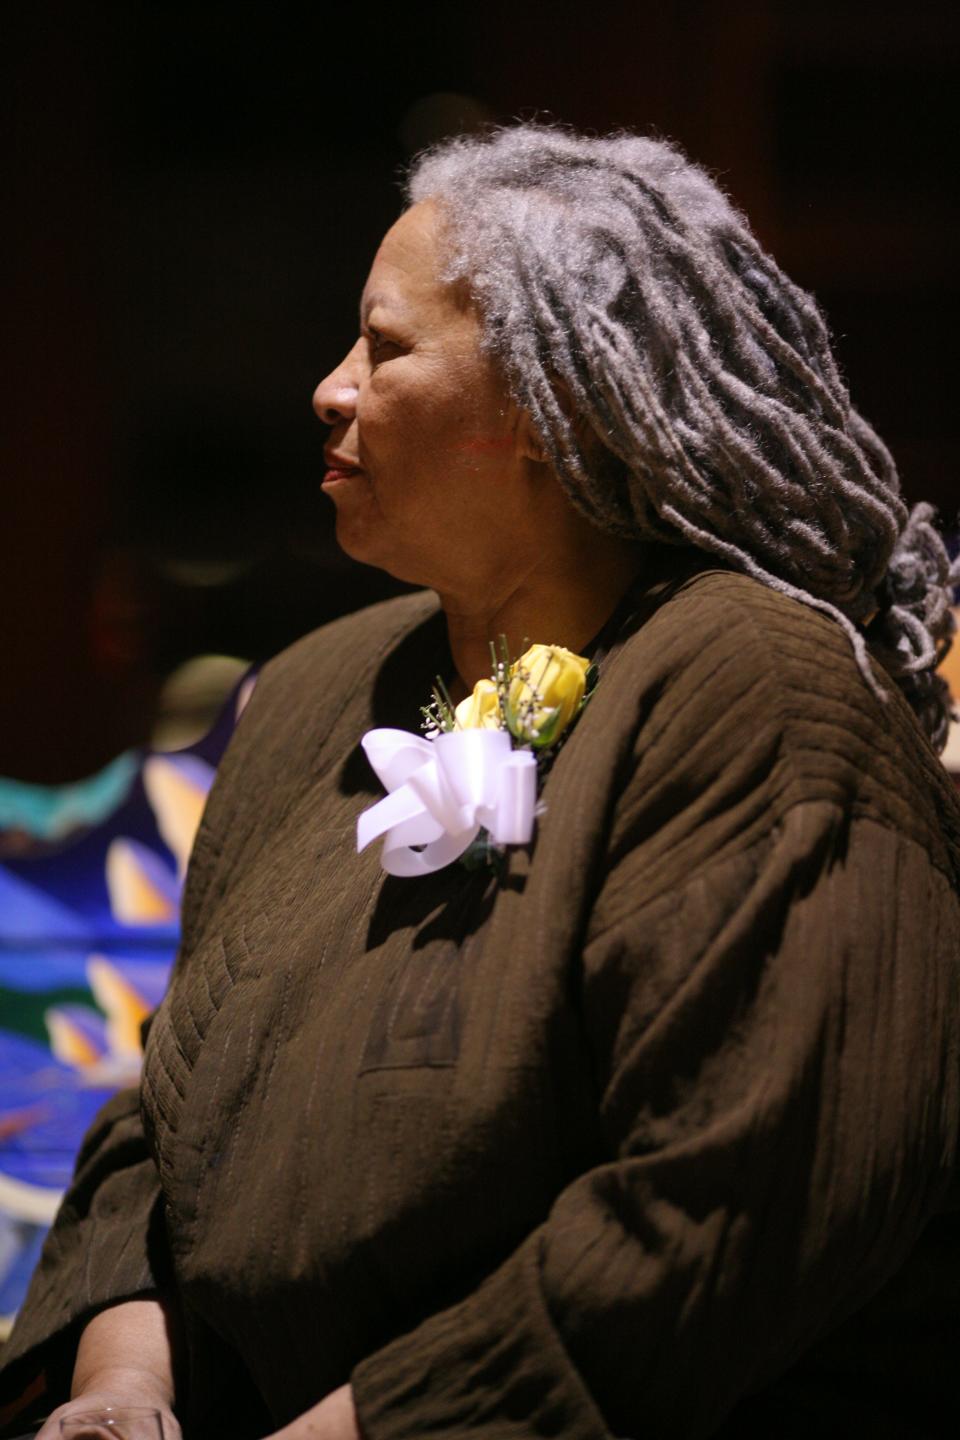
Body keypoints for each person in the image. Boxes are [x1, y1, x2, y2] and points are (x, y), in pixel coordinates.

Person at [2, 124, 959, 1440]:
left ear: (550, 400)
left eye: (385, 349)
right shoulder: (309, 698)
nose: (330, 391)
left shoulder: (755, 691)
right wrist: (121, 1388)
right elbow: (163, 1130)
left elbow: (722, 1219)